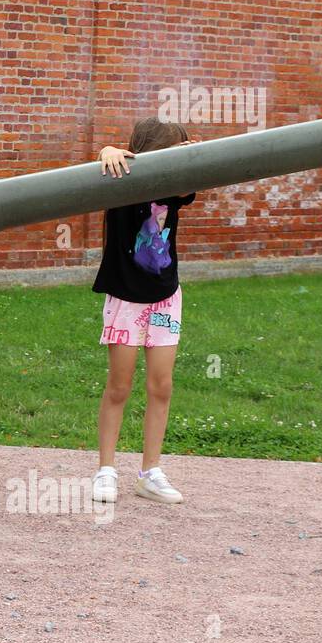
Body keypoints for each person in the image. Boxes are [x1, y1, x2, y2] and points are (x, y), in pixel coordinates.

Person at [90, 117, 198, 504]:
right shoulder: (119, 178)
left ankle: (150, 472)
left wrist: (191, 157)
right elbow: (104, 163)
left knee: (162, 386)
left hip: (165, 297)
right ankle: (105, 470)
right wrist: (107, 151)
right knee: (119, 386)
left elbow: (188, 184)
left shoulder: (174, 187)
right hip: (124, 299)